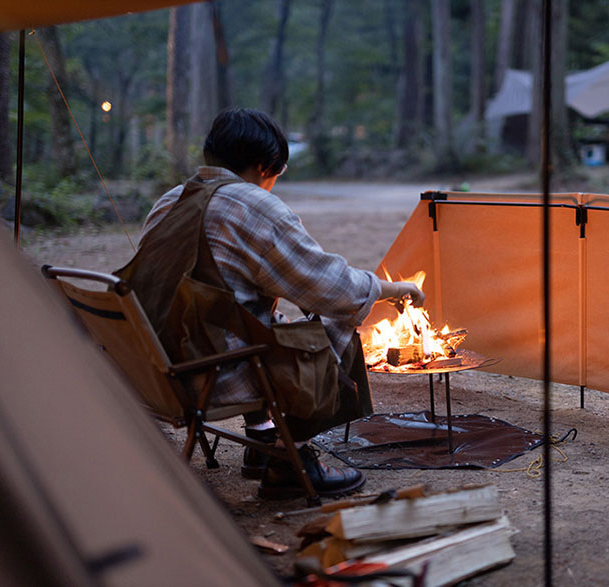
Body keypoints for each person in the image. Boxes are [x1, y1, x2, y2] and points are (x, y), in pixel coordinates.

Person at [121, 108, 423, 498]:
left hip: (154, 368)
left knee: (256, 316)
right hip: (205, 376)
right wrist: (395, 289)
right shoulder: (251, 205)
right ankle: (289, 461)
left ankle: (261, 440)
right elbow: (333, 289)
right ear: (265, 166)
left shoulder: (171, 200)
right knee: (332, 325)